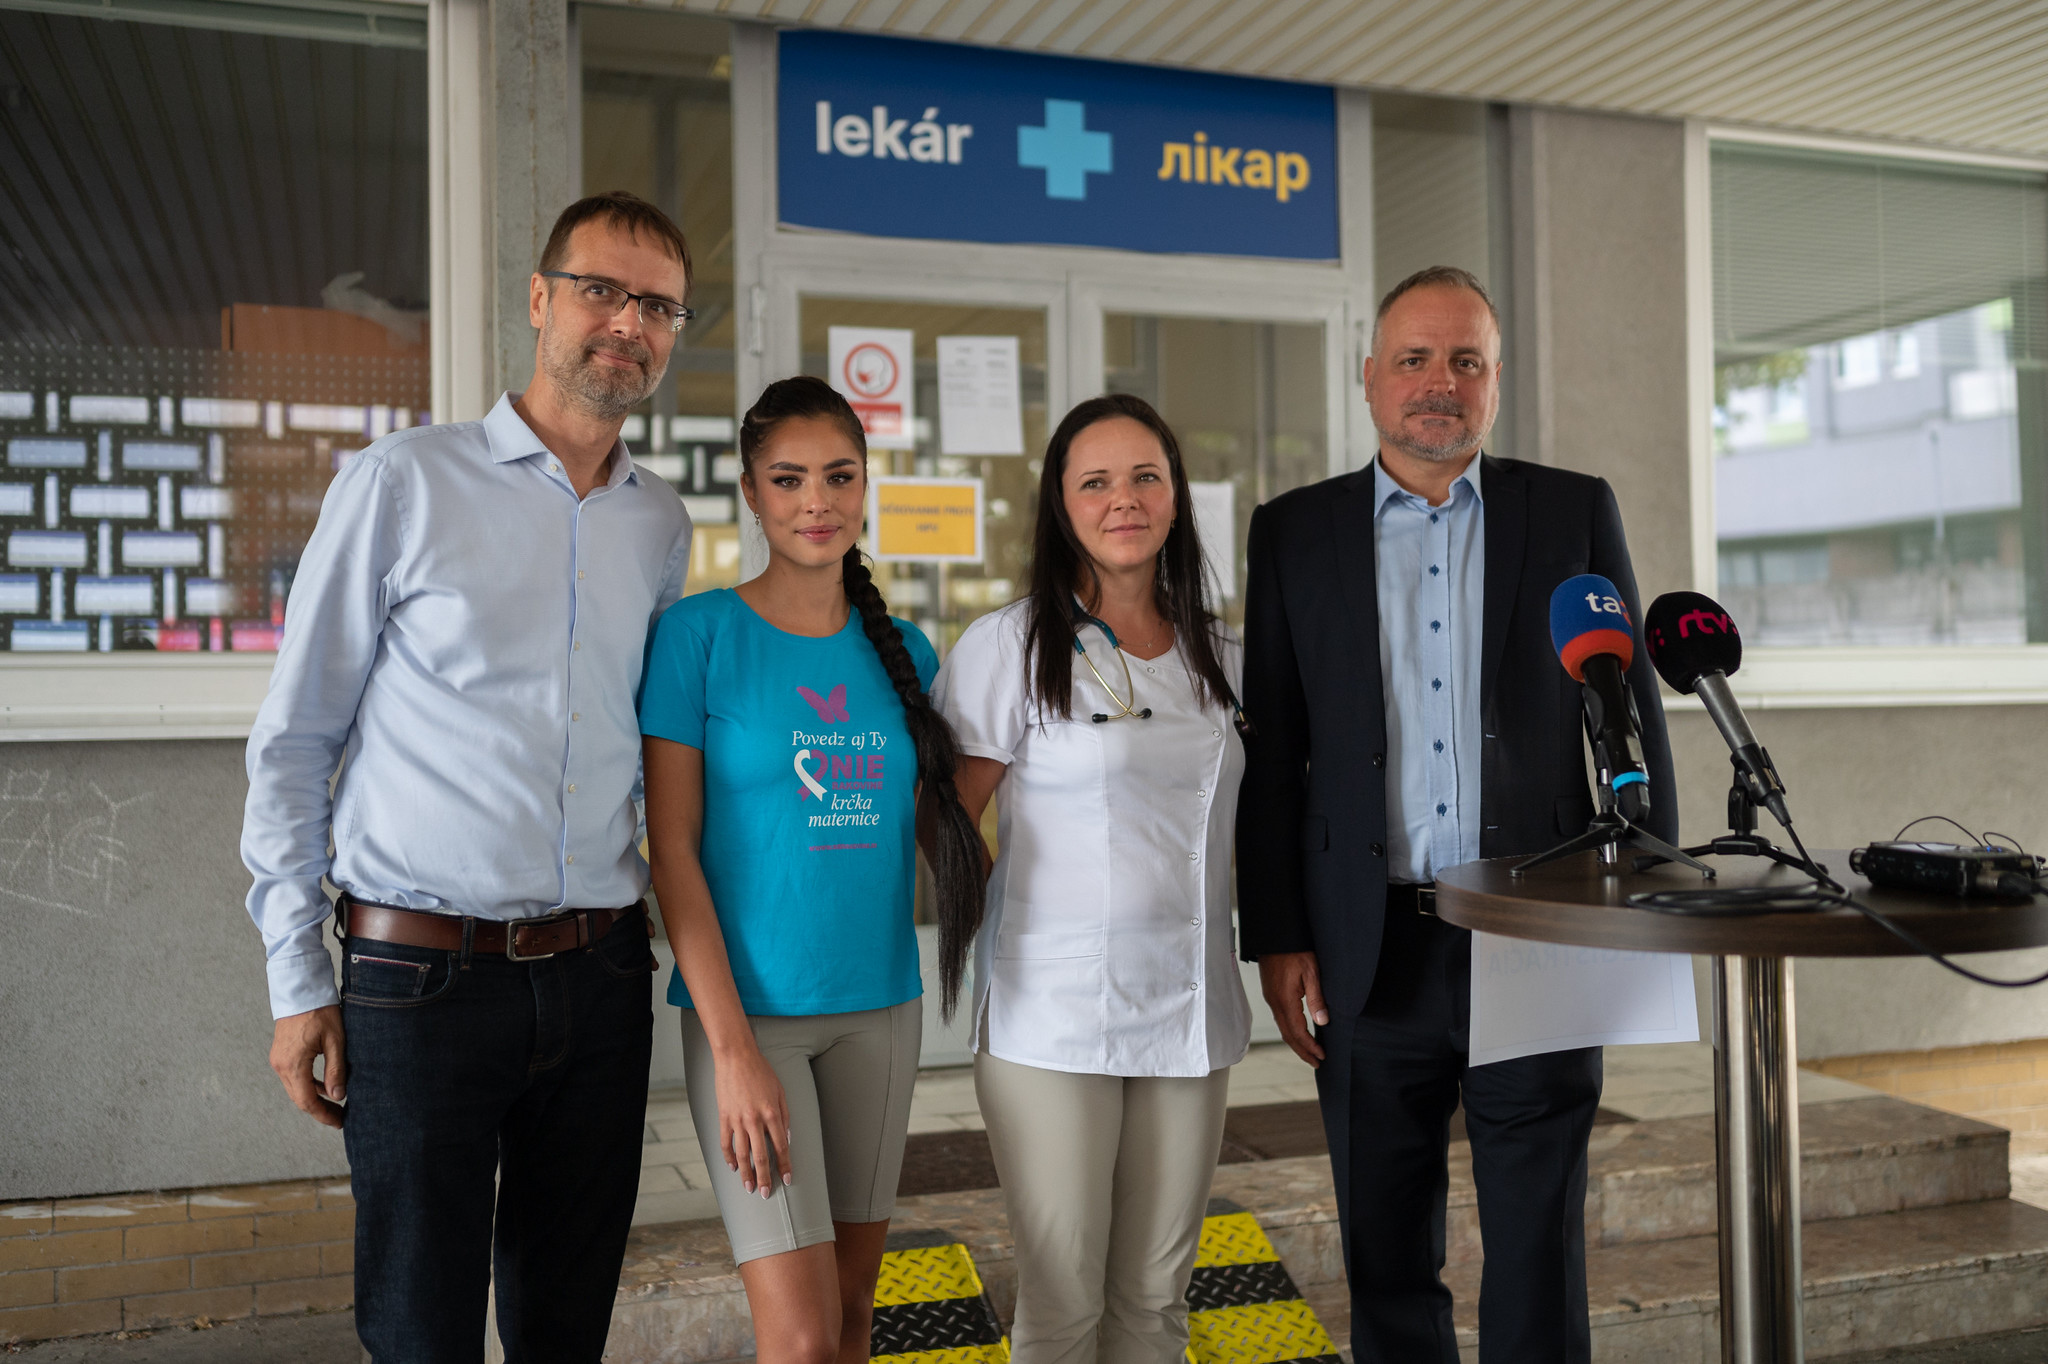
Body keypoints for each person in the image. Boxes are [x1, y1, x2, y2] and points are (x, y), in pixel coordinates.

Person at [242, 191, 695, 1362]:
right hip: (419, 982)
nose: (627, 322)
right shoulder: (405, 480)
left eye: (657, 306)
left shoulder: (659, 522)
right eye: (601, 290)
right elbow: (296, 738)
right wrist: (297, 975)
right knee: (420, 1328)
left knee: (565, 1326)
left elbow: (638, 750)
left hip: (600, 974)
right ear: (540, 299)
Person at [1235, 265, 1675, 1364]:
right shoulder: (1292, 531)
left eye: (1465, 361)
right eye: (1415, 359)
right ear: (1369, 378)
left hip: (1536, 929)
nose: (1440, 382)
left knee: (1538, 1240)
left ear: (1495, 380)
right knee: (1384, 1246)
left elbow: (1626, 716)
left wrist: (1644, 893)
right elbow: (1273, 749)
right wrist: (1279, 932)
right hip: (1366, 941)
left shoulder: (1571, 509)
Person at [638, 376, 986, 1364]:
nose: (816, 501)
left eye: (839, 476)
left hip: (881, 1011)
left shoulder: (905, 650)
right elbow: (672, 852)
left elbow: (942, 828)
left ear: (866, 485)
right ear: (750, 492)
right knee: (795, 1338)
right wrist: (733, 1051)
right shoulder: (698, 636)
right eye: (788, 479)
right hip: (751, 1022)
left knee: (851, 1313)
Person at [934, 393, 1252, 1364]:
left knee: (1155, 1298)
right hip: (1054, 1017)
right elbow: (945, 819)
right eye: (1096, 481)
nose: (1125, 499)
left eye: (1146, 477)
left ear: (1176, 496)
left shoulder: (1222, 656)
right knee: (1064, 1300)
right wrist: (1016, 917)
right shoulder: (1009, 644)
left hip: (1189, 1009)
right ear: (1060, 504)